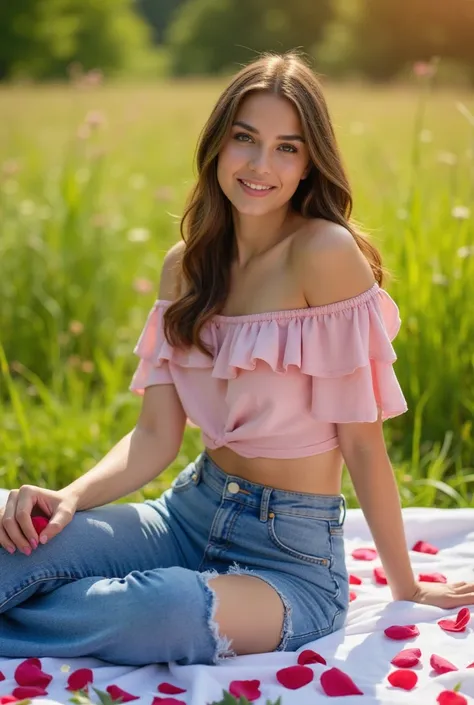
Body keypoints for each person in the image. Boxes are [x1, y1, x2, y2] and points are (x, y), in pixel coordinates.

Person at [1, 51, 473, 669]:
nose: (259, 165)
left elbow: (362, 445)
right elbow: (154, 437)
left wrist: (407, 588)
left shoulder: (323, 253)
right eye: (245, 139)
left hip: (289, 563)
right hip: (185, 515)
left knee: (161, 609)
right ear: (218, 145)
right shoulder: (185, 266)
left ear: (310, 164)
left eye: (287, 147)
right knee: (11, 540)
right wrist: (68, 495)